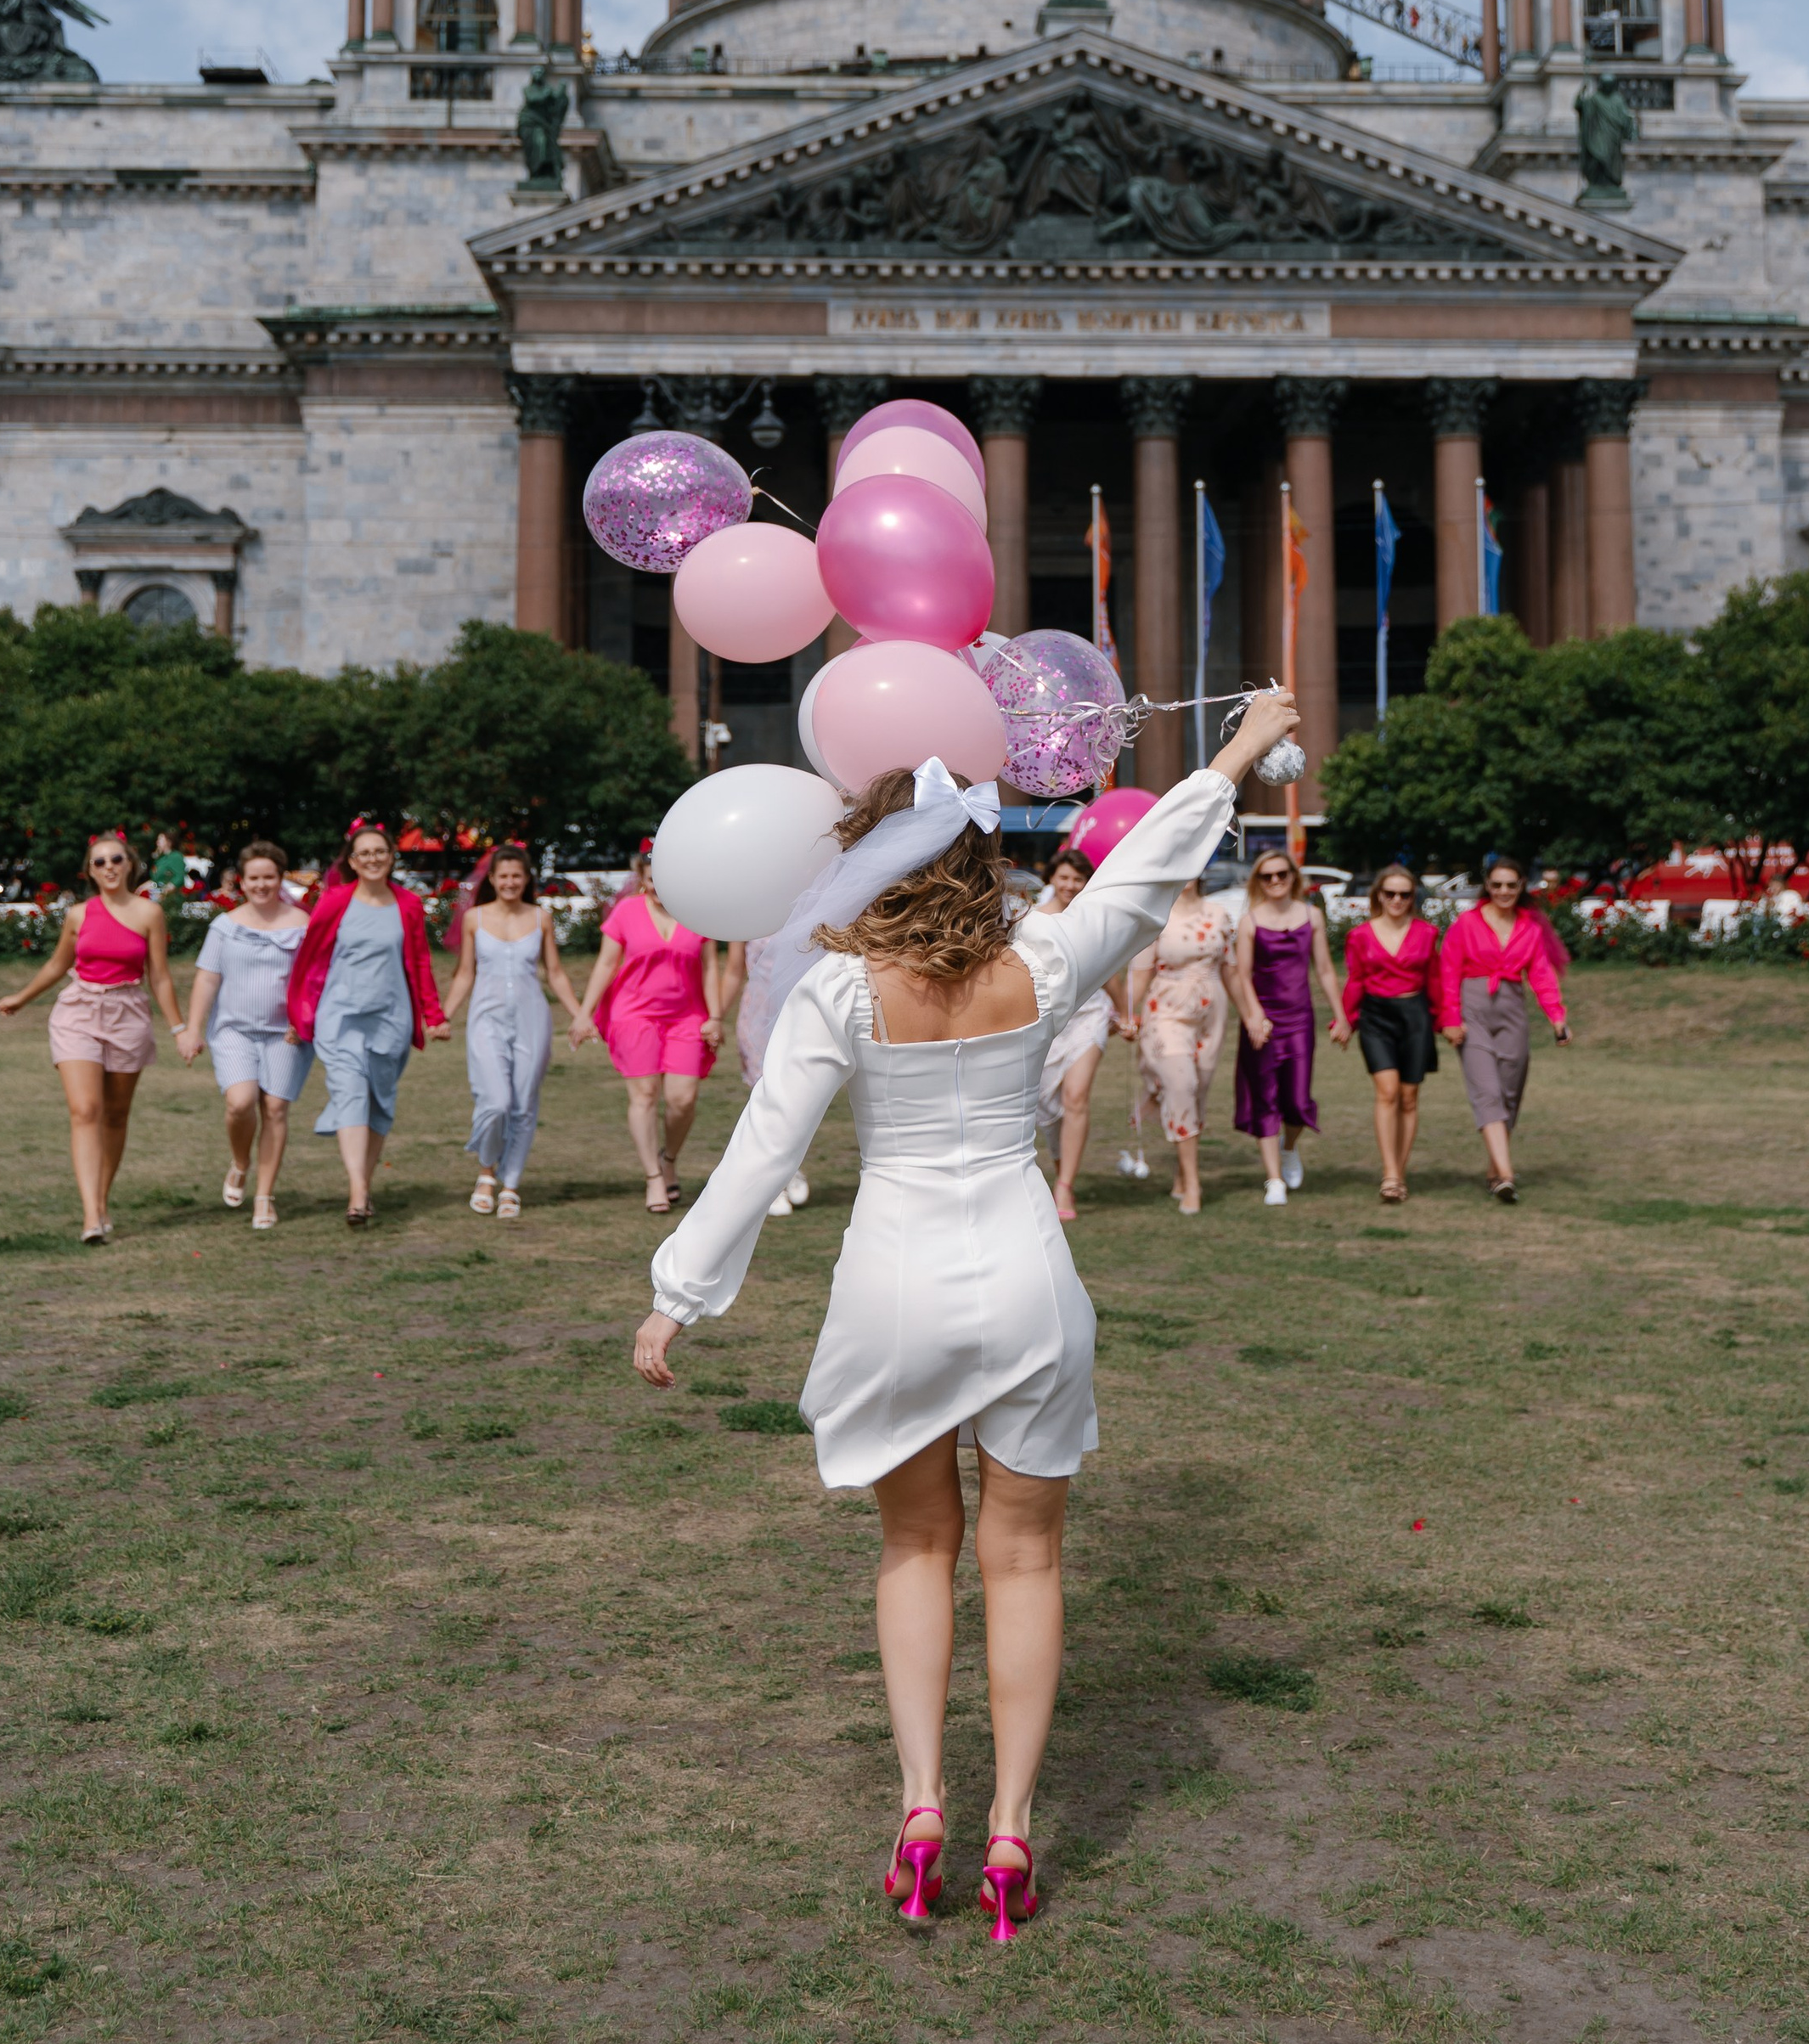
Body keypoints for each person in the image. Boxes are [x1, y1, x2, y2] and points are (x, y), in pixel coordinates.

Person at [633, 686, 1302, 1941]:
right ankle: (1010, 1828)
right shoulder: (1041, 959)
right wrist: (1246, 748)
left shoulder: (837, 992)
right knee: (1030, 1557)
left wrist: (679, 1296)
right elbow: (1152, 859)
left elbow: (761, 1152)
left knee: (918, 1550)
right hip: (1025, 1276)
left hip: (894, 1282)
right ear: (975, 858)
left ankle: (924, 1801)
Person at [0, 831, 189, 1243]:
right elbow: (56, 965)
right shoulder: (79, 915)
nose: (109, 867)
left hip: (128, 1014)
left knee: (116, 1116)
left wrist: (179, 1028)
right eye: (99, 862)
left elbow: (160, 976)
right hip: (78, 1012)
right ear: (90, 871)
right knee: (85, 1110)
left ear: (130, 864)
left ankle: (102, 1201)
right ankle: (90, 1216)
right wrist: (22, 998)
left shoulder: (149, 914)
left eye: (116, 859)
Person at [285, 819, 448, 1226]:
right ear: (353, 862)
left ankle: (363, 1186)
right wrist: (299, 1015)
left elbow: (420, 963)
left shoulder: (408, 905)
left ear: (391, 858)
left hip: (391, 1018)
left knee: (379, 1102)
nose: (373, 859)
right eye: (365, 853)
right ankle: (357, 1194)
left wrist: (434, 1015)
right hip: (339, 1018)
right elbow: (309, 960)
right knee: (350, 1092)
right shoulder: (334, 901)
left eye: (381, 852)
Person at [572, 845, 724, 1216]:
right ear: (641, 879)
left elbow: (709, 969)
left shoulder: (697, 913)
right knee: (644, 1095)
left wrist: (716, 1015)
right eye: (652, 881)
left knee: (682, 1099)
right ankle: (654, 1176)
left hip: (687, 1017)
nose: (658, 889)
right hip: (634, 1015)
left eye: (664, 882)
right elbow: (606, 964)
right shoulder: (626, 912)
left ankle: (669, 1157)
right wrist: (584, 1013)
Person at [444, 843, 583, 1219]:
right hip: (486, 1020)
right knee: (496, 1101)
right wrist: (443, 1016)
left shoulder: (540, 918)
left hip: (532, 1019)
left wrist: (580, 1015)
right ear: (492, 879)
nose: (509, 882)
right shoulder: (475, 918)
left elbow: (554, 973)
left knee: (523, 1104)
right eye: (502, 876)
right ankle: (487, 1170)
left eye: (516, 876)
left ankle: (511, 1185)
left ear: (526, 880)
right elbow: (464, 974)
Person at [180, 842, 311, 1230]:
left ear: (280, 877)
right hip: (234, 1030)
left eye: (269, 876)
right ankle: (240, 1162)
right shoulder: (225, 926)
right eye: (254, 878)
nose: (262, 884)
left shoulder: (303, 925)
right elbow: (207, 977)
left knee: (275, 1110)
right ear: (242, 880)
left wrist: (304, 1020)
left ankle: (264, 1198)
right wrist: (192, 1029)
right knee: (241, 1102)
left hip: (285, 1035)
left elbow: (315, 980)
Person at [1434, 855, 1570, 1202]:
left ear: (1522, 886)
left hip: (1512, 1010)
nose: (1504, 891)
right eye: (1497, 885)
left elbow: (1541, 975)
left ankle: (1495, 1170)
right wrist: (1450, 1019)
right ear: (1487, 887)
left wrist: (1557, 1018)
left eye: (1511, 885)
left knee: (1510, 1095)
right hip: (1472, 1009)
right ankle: (1506, 1176)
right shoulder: (1466, 924)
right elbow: (1447, 972)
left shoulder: (1531, 927)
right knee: (1488, 1093)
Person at [1229, 851, 1344, 1204]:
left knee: (1296, 1101)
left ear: (1293, 876)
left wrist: (1341, 1015)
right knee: (1265, 1098)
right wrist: (1255, 1015)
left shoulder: (1312, 916)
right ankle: (1274, 1179)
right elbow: (1242, 975)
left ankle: (1289, 1147)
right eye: (1267, 876)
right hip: (1263, 1022)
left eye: (1281, 874)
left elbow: (1324, 969)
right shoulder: (1250, 921)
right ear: (1259, 881)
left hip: (1300, 1021)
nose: (1275, 881)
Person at [1027, 849, 1135, 1225]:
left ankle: (1066, 1186)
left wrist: (1125, 1014)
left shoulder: (1091, 920)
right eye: (1066, 877)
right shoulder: (1032, 921)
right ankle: (1061, 1172)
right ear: (1052, 878)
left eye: (1078, 879)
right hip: (1047, 1021)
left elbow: (1109, 972)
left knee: (1075, 1097)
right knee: (1047, 1106)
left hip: (1090, 1015)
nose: (1071, 885)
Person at [1126, 870, 1235, 1214]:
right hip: (1166, 1009)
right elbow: (1141, 971)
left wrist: (1254, 1014)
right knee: (1182, 1083)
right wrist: (1128, 1014)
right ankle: (1193, 1183)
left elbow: (1232, 970)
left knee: (1197, 1090)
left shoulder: (1219, 914)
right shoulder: (1156, 914)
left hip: (1211, 1012)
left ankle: (1181, 1169)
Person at [1331, 864, 1439, 1203]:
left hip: (1415, 1017)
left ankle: (1399, 1174)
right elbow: (1356, 980)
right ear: (1378, 895)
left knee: (1409, 1097)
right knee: (1387, 1091)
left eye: (1404, 894)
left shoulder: (1427, 933)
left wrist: (1448, 1020)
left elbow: (1435, 982)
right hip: (1376, 1017)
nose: (1397, 900)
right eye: (1390, 893)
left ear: (1413, 898)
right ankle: (1390, 1174)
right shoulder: (1360, 935)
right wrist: (1344, 1021)